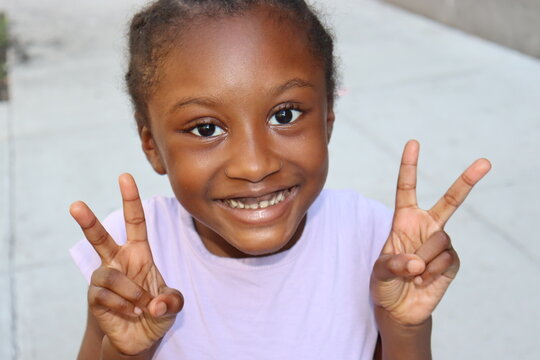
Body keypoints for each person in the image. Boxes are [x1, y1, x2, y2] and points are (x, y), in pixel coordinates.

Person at [69, 0, 491, 359]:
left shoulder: (372, 239)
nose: (254, 166)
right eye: (205, 129)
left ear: (327, 119)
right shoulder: (132, 254)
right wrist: (128, 351)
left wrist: (406, 327)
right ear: (152, 146)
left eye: (284, 115)